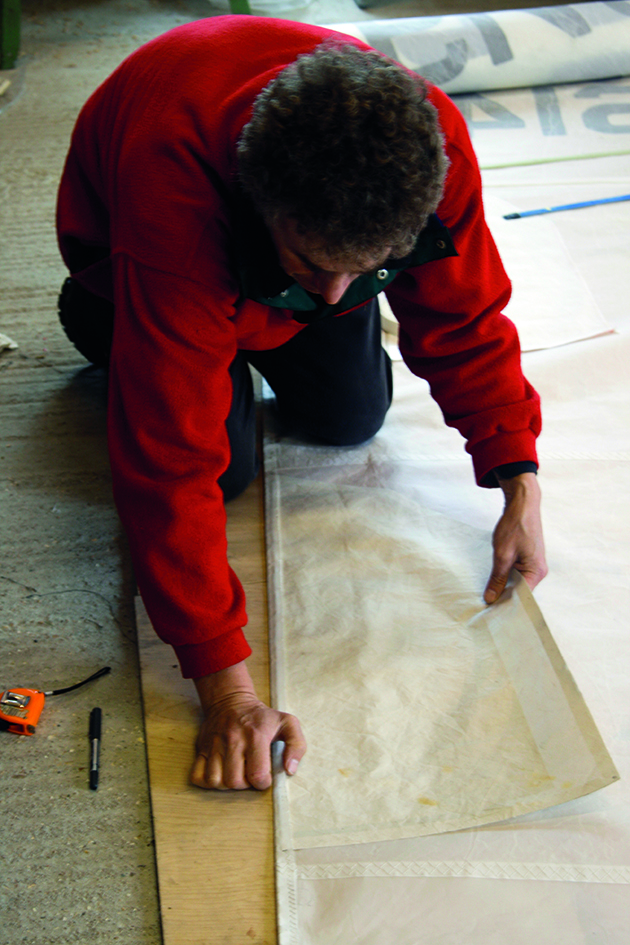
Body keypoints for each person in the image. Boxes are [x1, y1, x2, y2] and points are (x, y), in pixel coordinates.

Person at [56, 15, 547, 793]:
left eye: (369, 269)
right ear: (262, 205)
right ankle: (127, 326)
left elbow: (467, 317)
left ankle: (246, 327)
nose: (336, 295)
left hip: (258, 262)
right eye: (315, 264)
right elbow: (167, 464)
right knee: (222, 473)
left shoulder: (431, 148)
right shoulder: (173, 204)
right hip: (136, 259)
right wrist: (228, 689)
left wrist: (516, 474)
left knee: (351, 417)